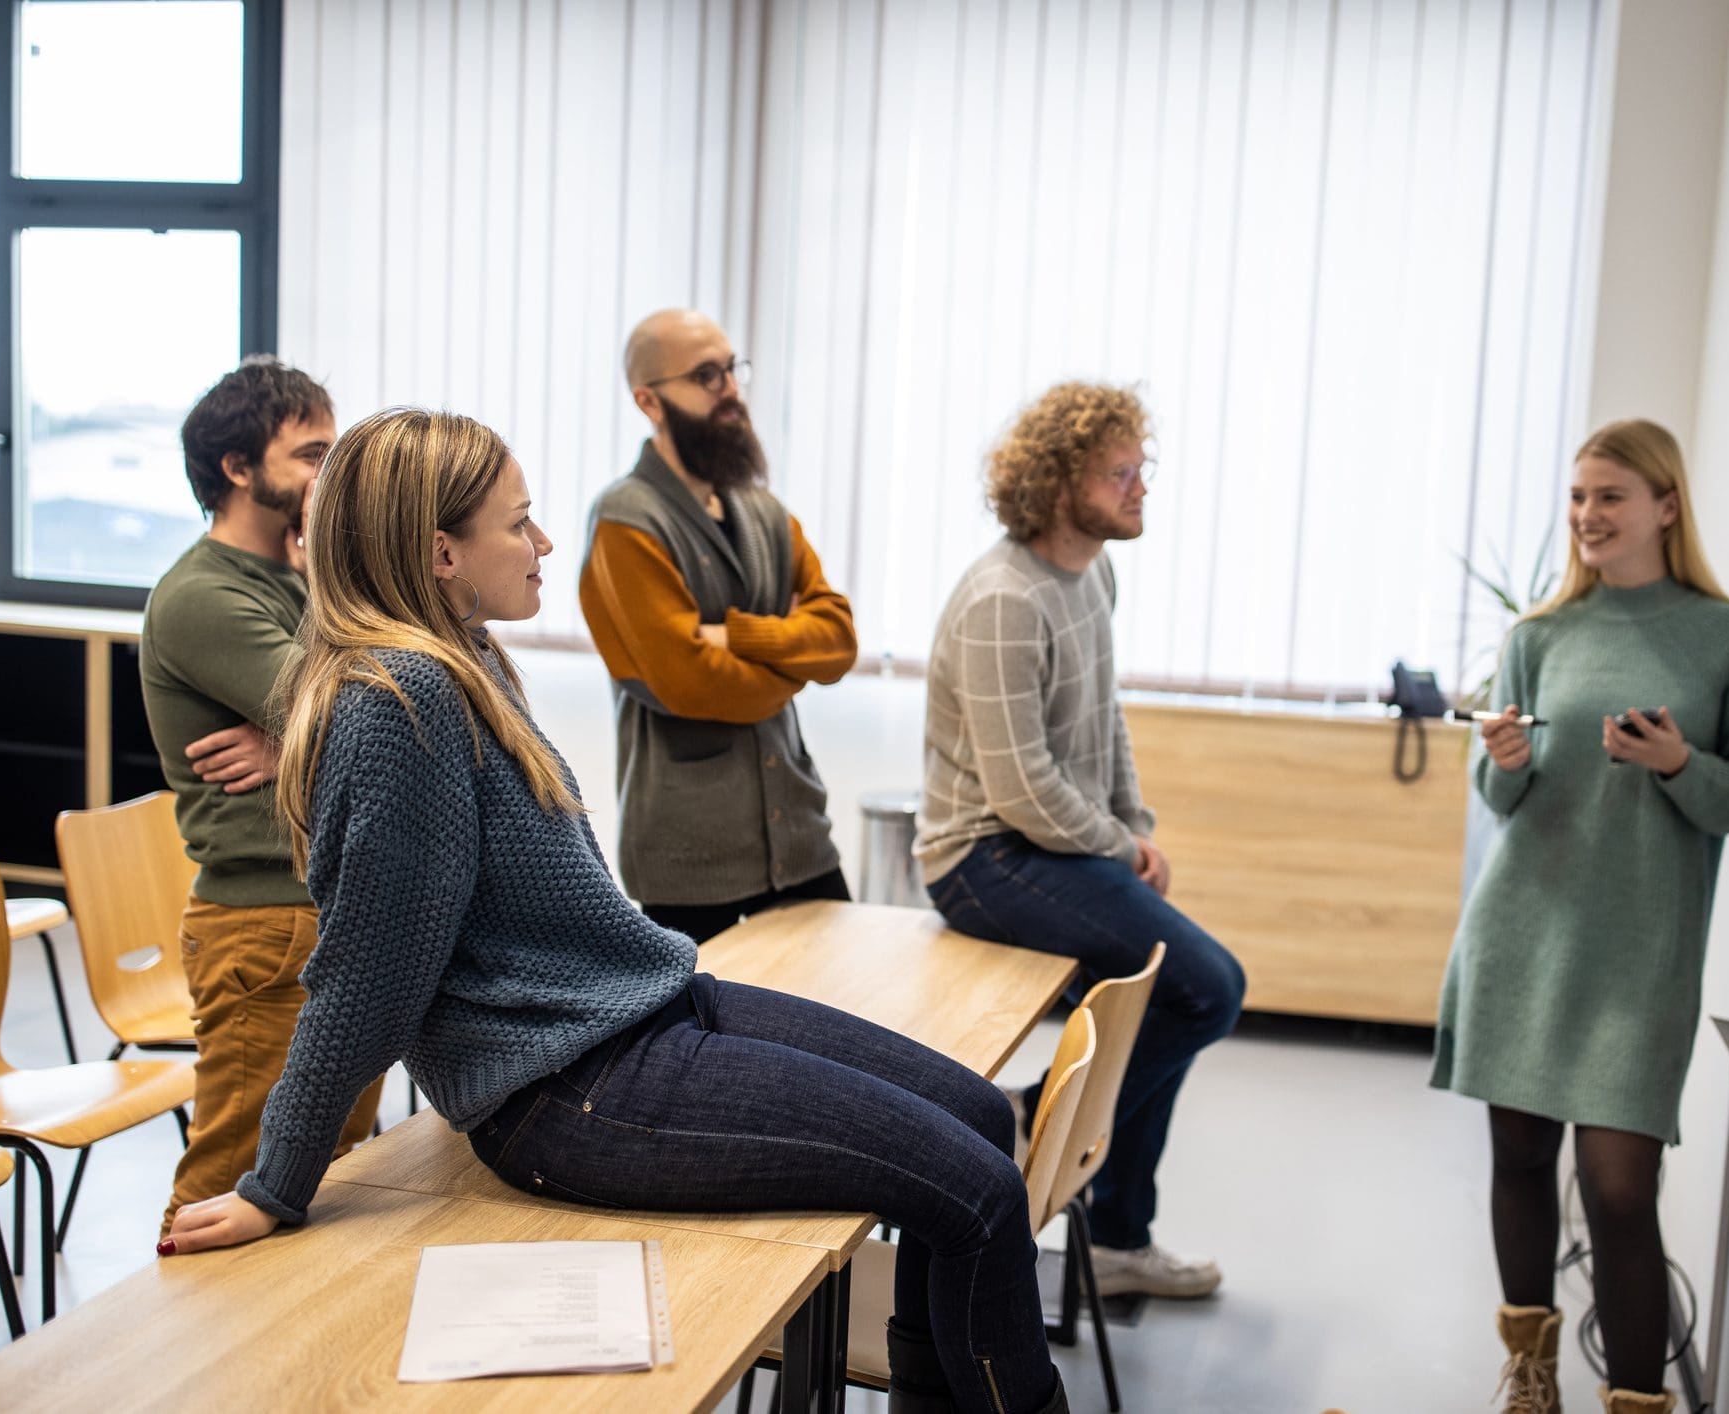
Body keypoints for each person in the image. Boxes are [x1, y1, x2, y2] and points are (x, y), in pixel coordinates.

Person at [161, 408, 1068, 1414]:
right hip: (569, 1088)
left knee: (984, 1120)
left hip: (644, 1012)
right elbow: (366, 976)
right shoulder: (396, 701)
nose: (544, 543)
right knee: (977, 1199)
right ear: (440, 551)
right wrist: (274, 1181)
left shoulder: (461, 658)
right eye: (522, 522)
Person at [1431, 419, 1729, 1414]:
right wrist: (1498, 760)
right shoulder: (1537, 636)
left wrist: (1677, 765)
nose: (1586, 515)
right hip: (1521, 937)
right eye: (1577, 496)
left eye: (1609, 496)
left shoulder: (1726, 640)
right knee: (1521, 1158)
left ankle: (1634, 1402)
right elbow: (1501, 796)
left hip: (1639, 956)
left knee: (1621, 1192)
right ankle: (1530, 1374)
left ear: (1665, 504)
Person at [915, 381, 1246, 1301]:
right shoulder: (1002, 600)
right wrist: (1113, 847)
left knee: (1167, 1002)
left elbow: (1104, 722)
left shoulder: (1094, 571)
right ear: (1061, 483)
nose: (1141, 489)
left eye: (1142, 469)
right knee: (1211, 988)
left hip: (1059, 845)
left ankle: (1117, 1239)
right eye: (1120, 473)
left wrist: (1132, 829)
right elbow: (1019, 789)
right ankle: (1030, 1126)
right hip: (982, 858)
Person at [139, 357, 380, 1235]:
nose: (332, 473)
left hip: (319, 910)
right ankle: (170, 1369)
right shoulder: (204, 594)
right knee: (229, 1187)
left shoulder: (294, 579)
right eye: (311, 455)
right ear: (238, 469)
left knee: (332, 1182)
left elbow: (366, 698)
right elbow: (365, 708)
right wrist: (307, 734)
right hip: (263, 924)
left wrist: (291, 741)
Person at [579, 309, 856, 942]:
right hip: (688, 861)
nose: (731, 389)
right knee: (711, 1039)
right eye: (707, 375)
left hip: (801, 838)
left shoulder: (763, 510)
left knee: (843, 1014)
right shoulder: (625, 520)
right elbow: (689, 682)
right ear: (648, 399)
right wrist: (792, 665)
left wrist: (738, 637)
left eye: (733, 369)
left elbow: (839, 640)